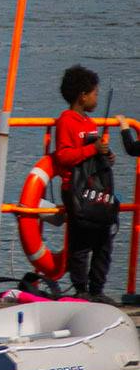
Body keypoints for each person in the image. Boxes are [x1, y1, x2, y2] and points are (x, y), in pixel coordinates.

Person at [51, 65, 117, 299]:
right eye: (94, 93)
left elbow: (93, 152)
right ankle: (81, 289)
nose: (96, 98)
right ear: (83, 95)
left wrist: (106, 155)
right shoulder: (66, 122)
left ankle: (97, 289)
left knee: (103, 241)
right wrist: (91, 149)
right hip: (75, 189)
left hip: (95, 190)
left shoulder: (90, 123)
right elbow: (63, 156)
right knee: (80, 242)